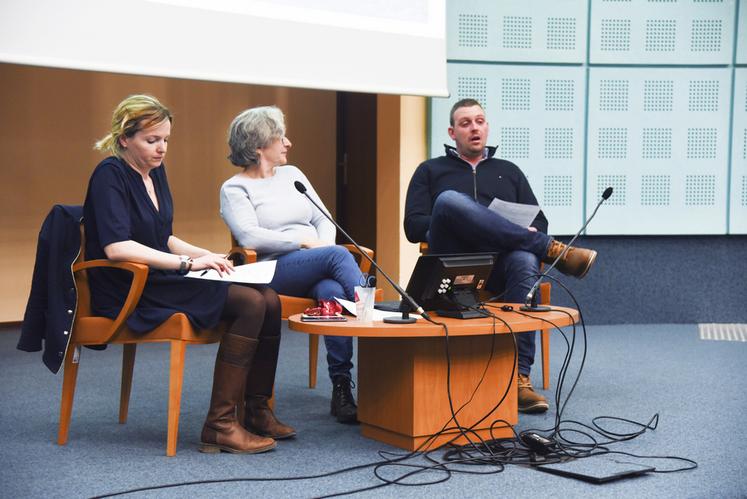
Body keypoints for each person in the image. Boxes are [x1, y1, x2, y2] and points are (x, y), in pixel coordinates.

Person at [84, 94, 295, 454]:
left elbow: (162, 236)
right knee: (249, 304)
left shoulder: (155, 172)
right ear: (124, 139)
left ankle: (257, 410)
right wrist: (187, 265)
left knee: (270, 300)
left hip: (159, 277)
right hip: (129, 285)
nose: (161, 148)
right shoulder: (110, 174)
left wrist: (205, 255)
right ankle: (221, 424)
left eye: (165, 139)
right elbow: (117, 247)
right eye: (152, 140)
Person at [404, 98, 598, 414]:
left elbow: (539, 222)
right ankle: (554, 252)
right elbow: (413, 226)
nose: (474, 128)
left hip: (499, 264)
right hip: (454, 259)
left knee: (524, 260)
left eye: (479, 121)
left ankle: (520, 378)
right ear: (453, 133)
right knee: (450, 200)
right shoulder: (430, 170)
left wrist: (501, 229)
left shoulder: (509, 172)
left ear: (487, 127)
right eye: (465, 123)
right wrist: (463, 220)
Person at [220, 106, 361, 424]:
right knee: (338, 258)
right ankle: (369, 314)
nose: (288, 143)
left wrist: (322, 249)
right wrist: (304, 245)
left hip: (316, 263)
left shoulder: (293, 175)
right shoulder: (235, 188)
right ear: (258, 147)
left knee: (331, 291)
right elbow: (248, 235)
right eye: (279, 137)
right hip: (274, 269)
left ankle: (341, 387)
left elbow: (323, 218)